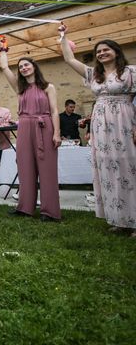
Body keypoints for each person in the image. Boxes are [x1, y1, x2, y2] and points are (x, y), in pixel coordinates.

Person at [59, 25, 136, 236]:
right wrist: (63, 36)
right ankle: (119, 219)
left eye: (106, 50)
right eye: (98, 51)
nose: (102, 53)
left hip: (125, 123)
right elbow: (69, 59)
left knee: (128, 168)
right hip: (101, 126)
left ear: (116, 52)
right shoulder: (95, 75)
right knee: (108, 169)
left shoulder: (131, 72)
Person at [0, 42, 61, 221]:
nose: (23, 68)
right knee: (25, 166)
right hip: (25, 126)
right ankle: (25, 207)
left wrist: (56, 133)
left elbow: (55, 110)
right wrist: (3, 50)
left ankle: (49, 211)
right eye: (20, 67)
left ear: (34, 67)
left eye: (26, 64)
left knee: (47, 168)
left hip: (44, 125)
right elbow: (4, 67)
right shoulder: (20, 88)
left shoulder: (48, 87)